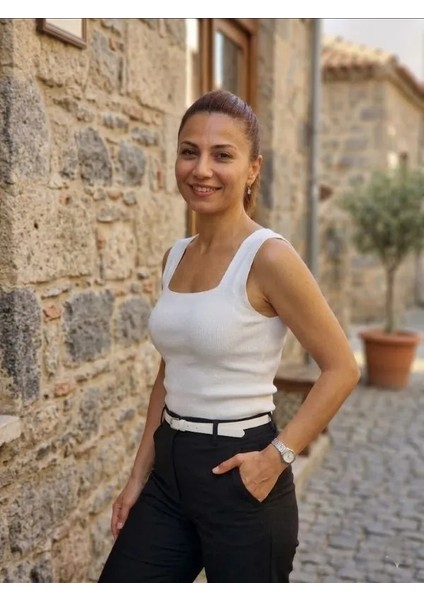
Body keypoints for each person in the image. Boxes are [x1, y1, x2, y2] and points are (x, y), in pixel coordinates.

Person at [98, 89, 360, 583]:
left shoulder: (269, 257)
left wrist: (275, 459)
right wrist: (137, 477)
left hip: (241, 472)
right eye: (189, 151)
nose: (201, 169)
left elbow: (342, 368)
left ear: (252, 168)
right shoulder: (175, 256)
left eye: (222, 155)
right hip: (169, 473)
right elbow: (171, 370)